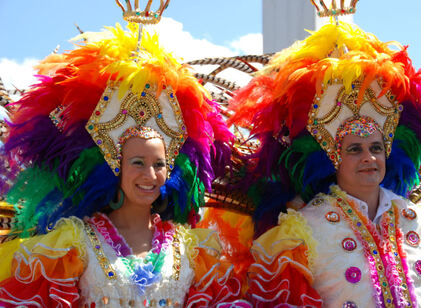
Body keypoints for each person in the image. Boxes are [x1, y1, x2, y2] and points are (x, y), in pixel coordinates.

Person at [0, 16, 241, 307]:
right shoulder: (72, 244)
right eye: (138, 162)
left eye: (160, 164)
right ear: (116, 165)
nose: (150, 174)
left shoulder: (193, 249)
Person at [228, 12, 421, 308]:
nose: (369, 157)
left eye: (376, 147)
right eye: (354, 149)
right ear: (334, 157)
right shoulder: (302, 231)